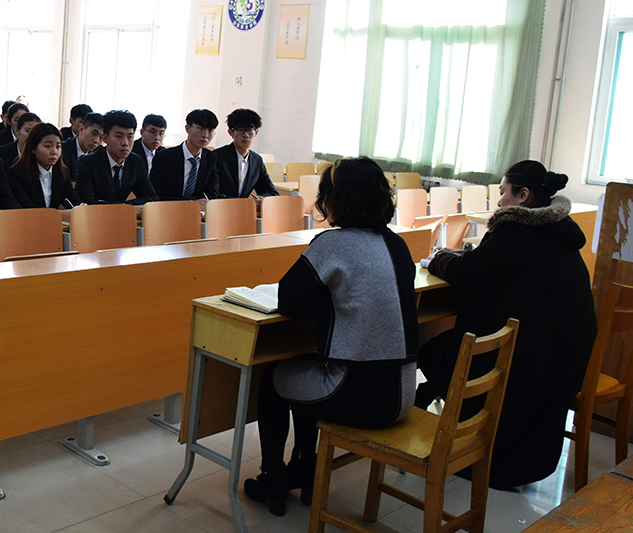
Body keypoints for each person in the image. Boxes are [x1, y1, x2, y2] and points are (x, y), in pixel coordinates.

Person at [244, 157, 418, 516]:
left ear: (336, 199)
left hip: (358, 396)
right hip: (402, 394)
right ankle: (305, 467)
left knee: (273, 378)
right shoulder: (397, 244)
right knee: (308, 367)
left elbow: (289, 300)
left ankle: (273, 477)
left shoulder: (333, 244)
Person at [415, 160, 597, 489]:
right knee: (454, 348)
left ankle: (466, 446)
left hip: (535, 356)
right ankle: (446, 417)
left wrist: (437, 258)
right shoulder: (557, 227)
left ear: (523, 195)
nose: (499, 202)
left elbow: (468, 271)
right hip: (565, 351)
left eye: (503, 193)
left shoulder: (518, 230)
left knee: (435, 354)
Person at [75, 110, 157, 213]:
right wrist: (125, 208)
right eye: (118, 136)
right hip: (95, 219)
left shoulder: (135, 162)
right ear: (105, 138)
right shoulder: (88, 163)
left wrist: (124, 207)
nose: (125, 143)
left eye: (130, 137)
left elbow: (151, 197)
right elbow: (86, 203)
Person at [149, 109, 219, 207]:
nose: (205, 135)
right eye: (200, 128)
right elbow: (156, 195)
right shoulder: (164, 157)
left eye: (210, 130)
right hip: (167, 210)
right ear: (187, 129)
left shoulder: (211, 158)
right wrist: (190, 204)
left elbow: (212, 194)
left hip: (198, 213)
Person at [7, 122, 81, 212]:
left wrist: (80, 207)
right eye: (48, 146)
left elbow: (73, 200)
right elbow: (25, 206)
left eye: (58, 146)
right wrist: (57, 214)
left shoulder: (62, 172)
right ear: (33, 148)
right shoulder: (17, 173)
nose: (54, 152)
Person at [215, 108, 279, 205]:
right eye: (240, 130)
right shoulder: (217, 157)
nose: (246, 135)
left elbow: (272, 192)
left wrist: (263, 199)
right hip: (220, 209)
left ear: (256, 132)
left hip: (245, 211)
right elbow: (213, 194)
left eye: (250, 130)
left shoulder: (256, 160)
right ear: (231, 132)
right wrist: (246, 203)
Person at [61, 111, 103, 176]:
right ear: (81, 129)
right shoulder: (63, 150)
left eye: (101, 138)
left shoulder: (101, 154)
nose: (96, 141)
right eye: (93, 133)